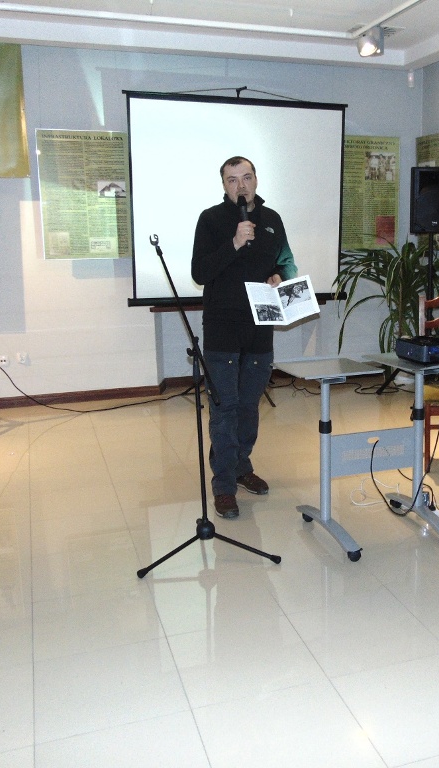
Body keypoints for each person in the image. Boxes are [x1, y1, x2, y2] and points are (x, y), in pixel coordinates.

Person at [190, 156, 296, 519]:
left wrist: (280, 276)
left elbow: (288, 263)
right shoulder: (210, 220)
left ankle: (240, 466)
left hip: (260, 328)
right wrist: (234, 243)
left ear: (256, 180)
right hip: (222, 328)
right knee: (225, 409)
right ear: (224, 185)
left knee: (249, 407)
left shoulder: (272, 220)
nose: (241, 185)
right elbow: (200, 272)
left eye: (246, 177)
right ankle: (223, 485)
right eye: (233, 180)